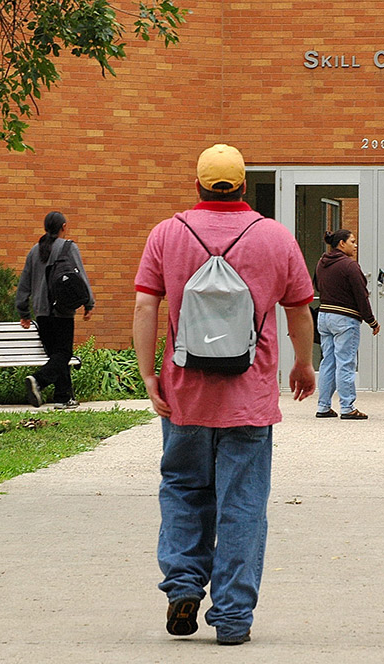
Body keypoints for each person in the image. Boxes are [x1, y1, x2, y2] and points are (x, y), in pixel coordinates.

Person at [133, 143, 316, 646]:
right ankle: (233, 617)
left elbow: (146, 308)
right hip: (249, 398)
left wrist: (150, 374)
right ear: (242, 186)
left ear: (196, 185)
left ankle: (183, 585)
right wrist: (304, 363)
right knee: (243, 504)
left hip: (183, 395)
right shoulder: (275, 236)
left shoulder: (167, 233)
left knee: (184, 491)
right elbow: (299, 309)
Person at [15, 211, 94, 409]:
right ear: (64, 227)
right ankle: (38, 380)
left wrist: (23, 312)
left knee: (56, 355)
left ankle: (63, 397)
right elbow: (80, 276)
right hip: (62, 310)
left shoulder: (34, 251)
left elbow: (24, 284)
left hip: (42, 312)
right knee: (64, 354)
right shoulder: (68, 247)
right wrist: (89, 303)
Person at [313, 229, 379, 420]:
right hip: (344, 318)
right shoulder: (350, 266)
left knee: (328, 361)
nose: (355, 245)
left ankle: (323, 406)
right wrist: (371, 321)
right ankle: (347, 406)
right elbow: (361, 295)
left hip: (324, 316)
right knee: (346, 362)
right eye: (352, 241)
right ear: (341, 244)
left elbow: (317, 286)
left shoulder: (322, 262)